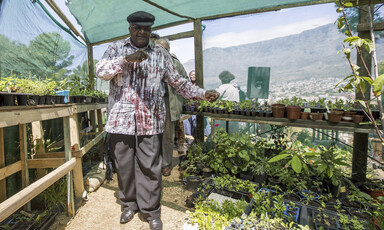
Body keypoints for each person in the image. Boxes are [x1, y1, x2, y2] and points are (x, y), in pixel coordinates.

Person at [96, 11, 219, 230]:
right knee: (124, 167)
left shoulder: (160, 54)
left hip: (150, 121)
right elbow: (101, 71)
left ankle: (151, 210)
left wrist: (202, 93)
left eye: (146, 28)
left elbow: (179, 83)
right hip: (121, 121)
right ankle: (129, 204)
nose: (142, 32)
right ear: (130, 28)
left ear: (151, 31)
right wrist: (125, 60)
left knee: (150, 167)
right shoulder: (116, 49)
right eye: (137, 27)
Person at [154, 38, 188, 177]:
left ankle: (165, 164)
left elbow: (185, 81)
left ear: (168, 50)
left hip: (169, 102)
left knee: (167, 136)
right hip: (153, 104)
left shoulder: (176, 64)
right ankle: (153, 162)